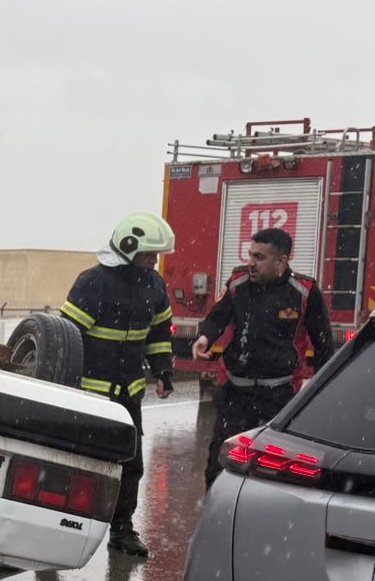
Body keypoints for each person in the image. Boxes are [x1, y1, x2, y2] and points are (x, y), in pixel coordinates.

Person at [62, 211, 178, 560]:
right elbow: (69, 336)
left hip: (129, 393)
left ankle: (122, 531)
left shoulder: (154, 285)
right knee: (79, 462)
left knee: (131, 465)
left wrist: (163, 370)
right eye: (148, 254)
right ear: (128, 249)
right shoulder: (93, 282)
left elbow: (159, 334)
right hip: (90, 393)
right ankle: (65, 527)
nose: (153, 261)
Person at [192, 226, 335, 486]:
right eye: (250, 255)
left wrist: (323, 389)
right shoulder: (238, 282)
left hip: (279, 395)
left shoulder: (304, 291)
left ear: (281, 261)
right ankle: (215, 516)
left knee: (277, 466)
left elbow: (324, 343)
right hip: (236, 391)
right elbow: (219, 315)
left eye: (259, 257)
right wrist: (205, 337)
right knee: (220, 462)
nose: (251, 263)